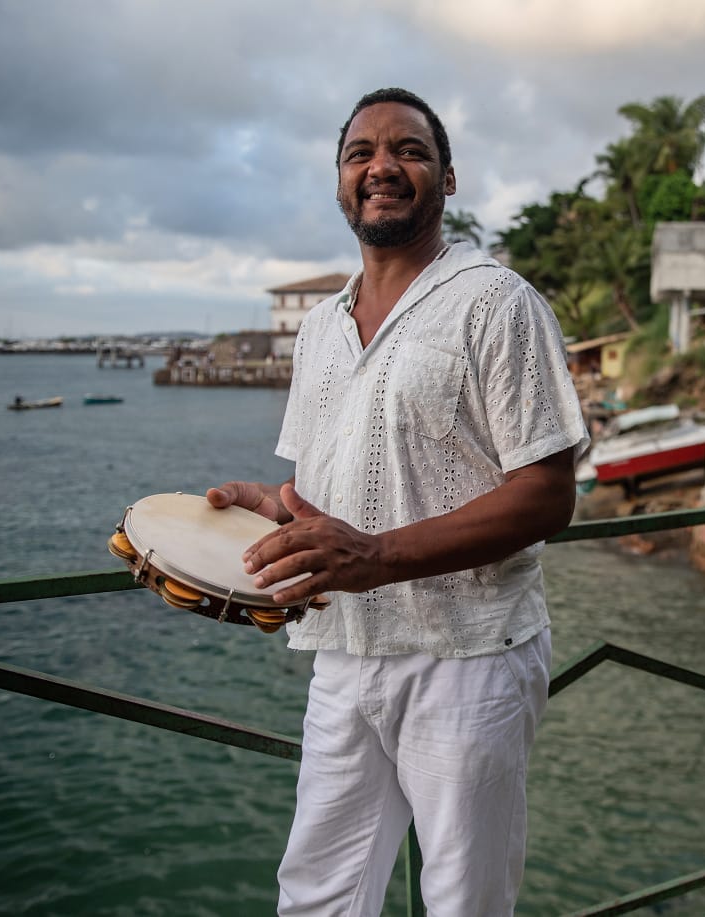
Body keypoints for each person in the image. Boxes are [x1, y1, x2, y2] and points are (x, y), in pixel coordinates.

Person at [207, 87, 588, 915]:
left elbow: (549, 495)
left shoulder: (496, 301)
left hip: (470, 655)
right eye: (360, 154)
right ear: (341, 183)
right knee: (317, 894)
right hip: (344, 652)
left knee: (464, 900)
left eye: (409, 150)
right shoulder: (319, 327)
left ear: (448, 179)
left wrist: (375, 557)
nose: (382, 166)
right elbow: (326, 494)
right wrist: (271, 512)